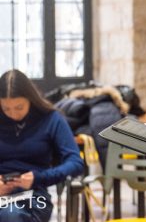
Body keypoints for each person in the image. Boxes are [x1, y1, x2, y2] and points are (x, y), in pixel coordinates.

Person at [0, 69, 84, 222]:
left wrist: (40, 178)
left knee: (10, 215)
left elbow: (75, 162)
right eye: (6, 109)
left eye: (19, 107)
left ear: (30, 100)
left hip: (34, 195)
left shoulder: (51, 119)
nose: (13, 114)